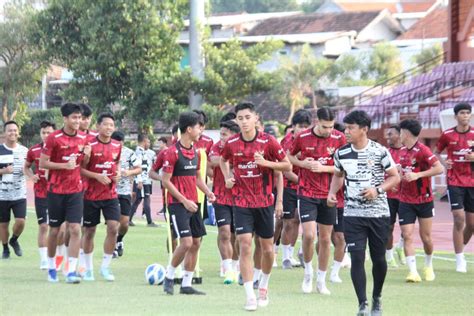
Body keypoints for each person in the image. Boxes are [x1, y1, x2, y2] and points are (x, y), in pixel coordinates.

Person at [327, 110, 400, 316]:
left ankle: (377, 297)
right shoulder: (341, 153)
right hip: (352, 213)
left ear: (364, 129)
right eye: (346, 127)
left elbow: (395, 177)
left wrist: (377, 190)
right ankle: (362, 304)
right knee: (357, 257)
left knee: (378, 259)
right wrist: (332, 193)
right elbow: (338, 176)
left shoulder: (380, 151)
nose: (346, 132)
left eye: (350, 128)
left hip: (378, 214)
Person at [220, 102, 291, 311]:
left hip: (264, 202)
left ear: (256, 118)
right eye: (240, 118)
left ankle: (264, 286)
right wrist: (228, 177)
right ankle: (250, 295)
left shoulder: (268, 142)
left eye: (247, 117)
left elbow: (287, 165)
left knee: (267, 249)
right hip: (241, 202)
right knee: (244, 244)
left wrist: (266, 164)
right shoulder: (232, 143)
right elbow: (224, 161)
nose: (243, 121)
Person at [288, 107, 346, 295]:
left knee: (325, 238)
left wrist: (324, 168)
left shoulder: (339, 138)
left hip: (329, 194)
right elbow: (289, 156)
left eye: (330, 126)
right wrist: (302, 164)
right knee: (309, 235)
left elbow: (343, 168)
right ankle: (308, 273)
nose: (328, 130)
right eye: (324, 126)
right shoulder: (303, 137)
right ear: (316, 121)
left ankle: (321, 280)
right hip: (306, 192)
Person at [162, 111, 216, 295]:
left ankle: (186, 284)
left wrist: (208, 192)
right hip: (178, 205)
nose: (201, 130)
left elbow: (198, 178)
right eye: (199, 127)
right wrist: (184, 200)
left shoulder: (196, 152)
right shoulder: (172, 152)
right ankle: (169, 277)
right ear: (188, 129)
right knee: (185, 242)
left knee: (196, 243)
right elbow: (165, 180)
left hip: (194, 203)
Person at [40, 102, 91, 283]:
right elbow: (42, 164)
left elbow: (83, 164)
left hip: (76, 190)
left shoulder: (84, 139)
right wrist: (63, 166)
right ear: (65, 119)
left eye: (80, 117)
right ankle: (52, 267)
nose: (78, 121)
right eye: (74, 117)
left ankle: (70, 270)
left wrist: (87, 155)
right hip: (56, 190)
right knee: (54, 231)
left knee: (76, 229)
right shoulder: (53, 138)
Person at [398, 119, 444, 283]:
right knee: (407, 235)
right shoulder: (402, 151)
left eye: (401, 131)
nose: (399, 134)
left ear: (407, 133)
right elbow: (402, 171)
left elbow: (440, 168)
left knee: (426, 238)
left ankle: (428, 265)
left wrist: (417, 175)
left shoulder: (423, 150)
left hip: (424, 200)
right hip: (405, 201)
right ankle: (412, 272)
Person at [80, 113, 122, 281]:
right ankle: (88, 268)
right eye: (106, 125)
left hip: (110, 194)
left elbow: (116, 164)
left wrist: (117, 173)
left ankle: (105, 267)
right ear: (98, 126)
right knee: (89, 231)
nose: (109, 128)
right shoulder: (89, 145)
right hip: (90, 195)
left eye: (112, 125)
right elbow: (80, 169)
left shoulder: (117, 145)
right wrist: (96, 176)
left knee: (113, 227)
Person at [435, 102, 473, 273]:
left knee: (472, 225)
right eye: (462, 113)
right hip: (454, 181)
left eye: (468, 113)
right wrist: (444, 161)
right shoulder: (447, 135)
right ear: (456, 116)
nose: (465, 115)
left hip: (472, 182)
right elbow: (436, 152)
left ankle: (460, 249)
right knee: (458, 218)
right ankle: (460, 259)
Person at [208, 120, 241, 284]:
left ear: (234, 136)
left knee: (237, 236)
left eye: (224, 135)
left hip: (240, 198)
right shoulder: (217, 147)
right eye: (221, 134)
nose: (221, 138)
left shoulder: (242, 147)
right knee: (224, 232)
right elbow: (214, 160)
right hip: (220, 196)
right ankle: (227, 267)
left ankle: (235, 265)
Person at [279, 109, 312, 269]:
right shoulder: (285, 142)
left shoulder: (310, 141)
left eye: (306, 126)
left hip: (306, 188)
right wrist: (302, 181)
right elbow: (285, 170)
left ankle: (296, 252)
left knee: (302, 220)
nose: (303, 129)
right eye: (300, 126)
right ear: (293, 126)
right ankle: (286, 256)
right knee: (289, 222)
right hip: (288, 186)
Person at [24, 120, 56, 268]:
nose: (46, 135)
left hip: (58, 193)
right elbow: (26, 167)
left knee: (58, 228)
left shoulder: (60, 150)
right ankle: (44, 259)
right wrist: (32, 176)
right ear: (40, 134)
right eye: (44, 133)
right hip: (41, 193)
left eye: (49, 132)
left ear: (54, 133)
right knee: (43, 226)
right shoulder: (34, 150)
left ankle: (57, 257)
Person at [0, 121, 28, 259]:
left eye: (15, 130)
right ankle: (5, 249)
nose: (13, 133)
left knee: (21, 221)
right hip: (2, 195)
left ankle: (14, 240)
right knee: (3, 224)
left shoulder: (24, 150)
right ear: (5, 133)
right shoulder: (0, 149)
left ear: (18, 132)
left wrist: (31, 175)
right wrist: (3, 171)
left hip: (19, 193)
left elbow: (28, 168)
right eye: (10, 130)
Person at [111, 131, 141, 257]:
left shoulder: (129, 153)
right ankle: (112, 250)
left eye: (120, 143)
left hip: (124, 192)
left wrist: (128, 173)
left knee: (124, 223)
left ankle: (119, 240)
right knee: (113, 223)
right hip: (110, 192)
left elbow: (139, 168)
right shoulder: (107, 151)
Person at [384, 125, 406, 268]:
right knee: (389, 227)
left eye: (390, 134)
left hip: (406, 196)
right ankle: (389, 255)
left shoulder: (408, 151)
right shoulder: (384, 152)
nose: (388, 137)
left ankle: (401, 246)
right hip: (389, 195)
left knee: (407, 228)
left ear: (399, 135)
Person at [129, 134, 157, 227]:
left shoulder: (142, 152)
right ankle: (149, 222)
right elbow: (138, 167)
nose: (149, 144)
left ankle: (128, 219)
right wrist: (140, 180)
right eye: (148, 142)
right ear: (144, 141)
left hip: (146, 180)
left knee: (138, 199)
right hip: (143, 181)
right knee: (145, 199)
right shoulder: (139, 152)